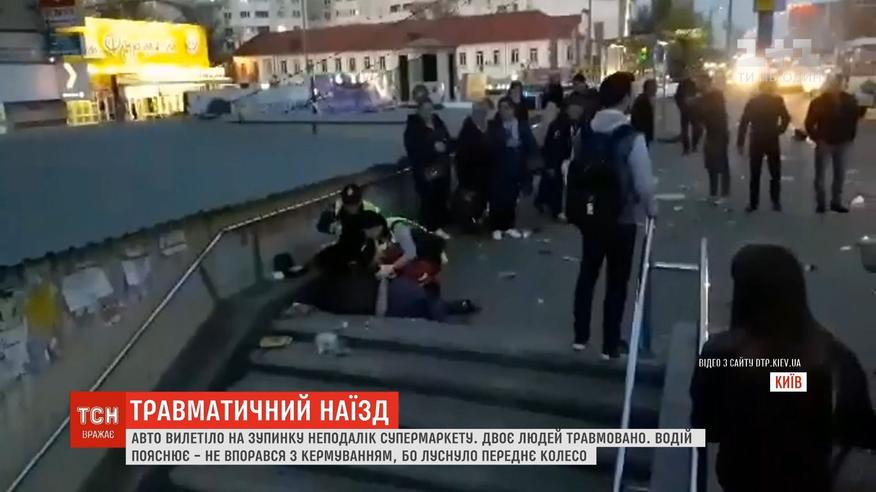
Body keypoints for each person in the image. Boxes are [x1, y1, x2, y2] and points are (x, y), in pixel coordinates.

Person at [691, 244, 876, 492]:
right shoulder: (834, 357)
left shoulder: (720, 356)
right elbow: (860, 430)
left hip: (742, 481)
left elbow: (706, 428)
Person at [565, 72, 657, 359]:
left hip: (590, 216)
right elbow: (643, 183)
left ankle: (580, 337)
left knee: (587, 273)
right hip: (622, 219)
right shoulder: (631, 138)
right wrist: (652, 209)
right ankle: (610, 344)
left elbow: (571, 168)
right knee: (617, 282)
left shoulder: (584, 133)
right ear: (625, 99)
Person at [804, 74, 866, 214]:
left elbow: (855, 117)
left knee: (838, 174)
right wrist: (816, 138)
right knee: (823, 175)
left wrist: (851, 135)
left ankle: (833, 202)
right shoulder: (820, 101)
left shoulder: (849, 100)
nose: (840, 86)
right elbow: (809, 122)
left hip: (841, 141)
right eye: (838, 83)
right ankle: (823, 203)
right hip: (826, 142)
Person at [487, 96, 538, 240]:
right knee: (498, 198)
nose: (504, 111)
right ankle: (496, 226)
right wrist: (504, 143)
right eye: (501, 108)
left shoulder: (521, 126)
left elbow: (531, 145)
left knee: (512, 197)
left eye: (507, 108)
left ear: (513, 110)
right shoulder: (494, 127)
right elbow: (489, 145)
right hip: (499, 167)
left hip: (517, 165)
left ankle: (509, 225)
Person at [737, 79, 791, 212]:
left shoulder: (753, 102)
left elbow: (744, 122)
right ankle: (775, 201)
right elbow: (786, 118)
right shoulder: (777, 101)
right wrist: (780, 130)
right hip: (772, 138)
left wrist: (740, 142)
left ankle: (753, 203)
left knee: (755, 172)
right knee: (775, 172)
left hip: (756, 138)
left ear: (760, 88)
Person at [404, 98, 453, 239]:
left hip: (441, 166)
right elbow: (413, 149)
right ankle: (431, 228)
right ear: (418, 110)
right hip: (425, 169)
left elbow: (448, 139)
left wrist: (445, 146)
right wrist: (433, 148)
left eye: (430, 109)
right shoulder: (413, 128)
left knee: (441, 196)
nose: (428, 112)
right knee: (428, 198)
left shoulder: (438, 123)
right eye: (424, 109)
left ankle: (438, 225)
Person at [314, 183, 382, 274]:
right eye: (347, 202)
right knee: (322, 257)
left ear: (360, 200)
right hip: (346, 242)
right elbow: (321, 226)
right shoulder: (336, 209)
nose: (351, 206)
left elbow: (378, 236)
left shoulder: (370, 211)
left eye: (354, 202)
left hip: (366, 242)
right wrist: (333, 228)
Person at [537, 97, 584, 219]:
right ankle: (556, 210)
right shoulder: (559, 125)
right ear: (568, 109)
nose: (578, 112)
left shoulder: (578, 124)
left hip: (568, 160)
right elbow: (552, 147)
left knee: (556, 185)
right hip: (559, 160)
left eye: (579, 109)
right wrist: (551, 165)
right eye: (575, 109)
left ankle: (545, 203)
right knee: (557, 186)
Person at [696, 75, 731, 205]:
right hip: (711, 132)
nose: (698, 85)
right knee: (711, 164)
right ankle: (713, 192)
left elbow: (712, 112)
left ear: (707, 83)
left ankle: (724, 192)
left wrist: (698, 102)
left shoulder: (715, 95)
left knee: (721, 163)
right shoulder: (705, 97)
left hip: (719, 133)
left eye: (700, 83)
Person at [675, 72, 701, 154]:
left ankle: (688, 148)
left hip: (688, 110)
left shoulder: (685, 85)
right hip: (691, 110)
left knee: (686, 129)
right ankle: (692, 146)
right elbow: (698, 96)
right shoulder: (690, 84)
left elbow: (677, 98)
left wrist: (681, 107)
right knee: (693, 128)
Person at [630, 78, 656, 147]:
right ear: (648, 88)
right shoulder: (642, 101)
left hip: (642, 135)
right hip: (642, 135)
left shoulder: (644, 99)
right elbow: (639, 119)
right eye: (654, 87)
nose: (655, 89)